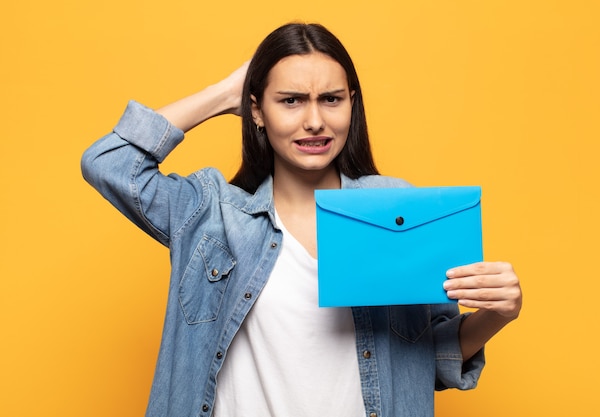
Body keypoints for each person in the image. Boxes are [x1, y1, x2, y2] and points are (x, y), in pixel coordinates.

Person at [81, 22, 522, 417]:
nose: (315, 121)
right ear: (256, 110)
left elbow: (431, 359)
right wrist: (223, 94)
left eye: (330, 100)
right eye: (290, 101)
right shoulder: (213, 216)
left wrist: (497, 314)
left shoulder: (394, 209)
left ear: (352, 104)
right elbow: (110, 163)